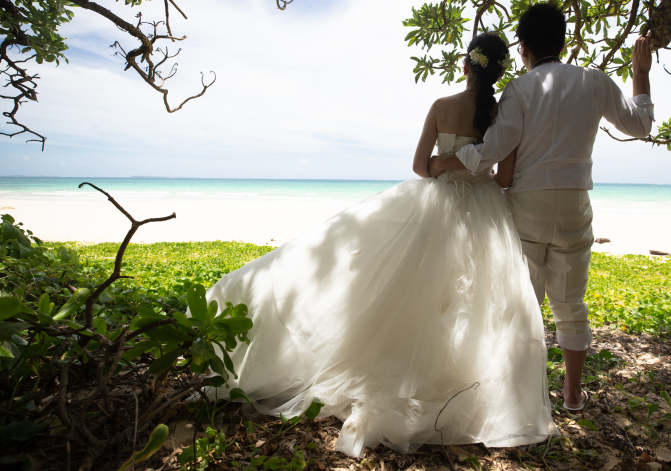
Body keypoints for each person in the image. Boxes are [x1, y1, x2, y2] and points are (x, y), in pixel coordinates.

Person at [202, 33, 558, 458]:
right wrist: (477, 169)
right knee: (474, 300)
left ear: (467, 66)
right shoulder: (505, 115)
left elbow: (418, 166)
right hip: (485, 213)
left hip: (439, 204)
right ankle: (465, 377)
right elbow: (502, 178)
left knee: (417, 292)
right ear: (502, 72)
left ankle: (415, 372)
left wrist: (446, 168)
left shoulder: (441, 106)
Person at [430, 2, 654, 414]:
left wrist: (450, 161)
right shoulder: (594, 81)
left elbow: (497, 149)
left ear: (523, 48)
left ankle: (520, 396)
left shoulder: (519, 89)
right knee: (571, 305)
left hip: (527, 206)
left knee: (523, 303)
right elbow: (640, 126)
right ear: (564, 41)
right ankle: (570, 395)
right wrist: (640, 76)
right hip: (573, 203)